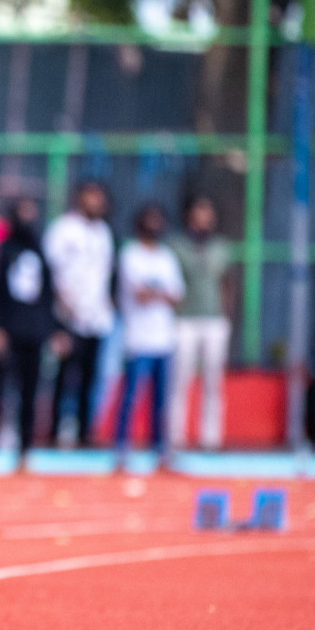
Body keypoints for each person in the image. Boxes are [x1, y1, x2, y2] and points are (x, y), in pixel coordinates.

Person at [0, 197, 65, 464]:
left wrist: (54, 329)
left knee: (30, 392)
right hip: (7, 331)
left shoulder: (41, 252)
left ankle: (25, 446)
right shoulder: (3, 250)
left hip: (34, 332)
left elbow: (48, 296)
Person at [45, 180, 115, 447]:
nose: (95, 203)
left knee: (90, 377)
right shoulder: (63, 229)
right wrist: (63, 308)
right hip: (66, 316)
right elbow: (52, 271)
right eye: (90, 196)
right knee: (63, 377)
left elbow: (105, 275)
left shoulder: (103, 232)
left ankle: (85, 433)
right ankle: (54, 433)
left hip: (96, 318)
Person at [113, 204, 184, 467]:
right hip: (137, 337)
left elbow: (177, 296)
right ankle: (121, 447)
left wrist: (156, 292)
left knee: (161, 399)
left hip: (163, 338)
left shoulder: (166, 256)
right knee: (131, 396)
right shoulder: (130, 254)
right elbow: (140, 295)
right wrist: (160, 293)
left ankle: (160, 449)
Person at [168, 196, 232, 451]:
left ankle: (211, 438)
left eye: (208, 213)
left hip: (214, 321)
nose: (205, 218)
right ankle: (175, 437)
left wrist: (226, 314)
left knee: (213, 382)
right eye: (199, 212)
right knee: (179, 380)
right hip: (184, 321)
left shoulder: (220, 247)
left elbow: (227, 282)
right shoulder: (177, 245)